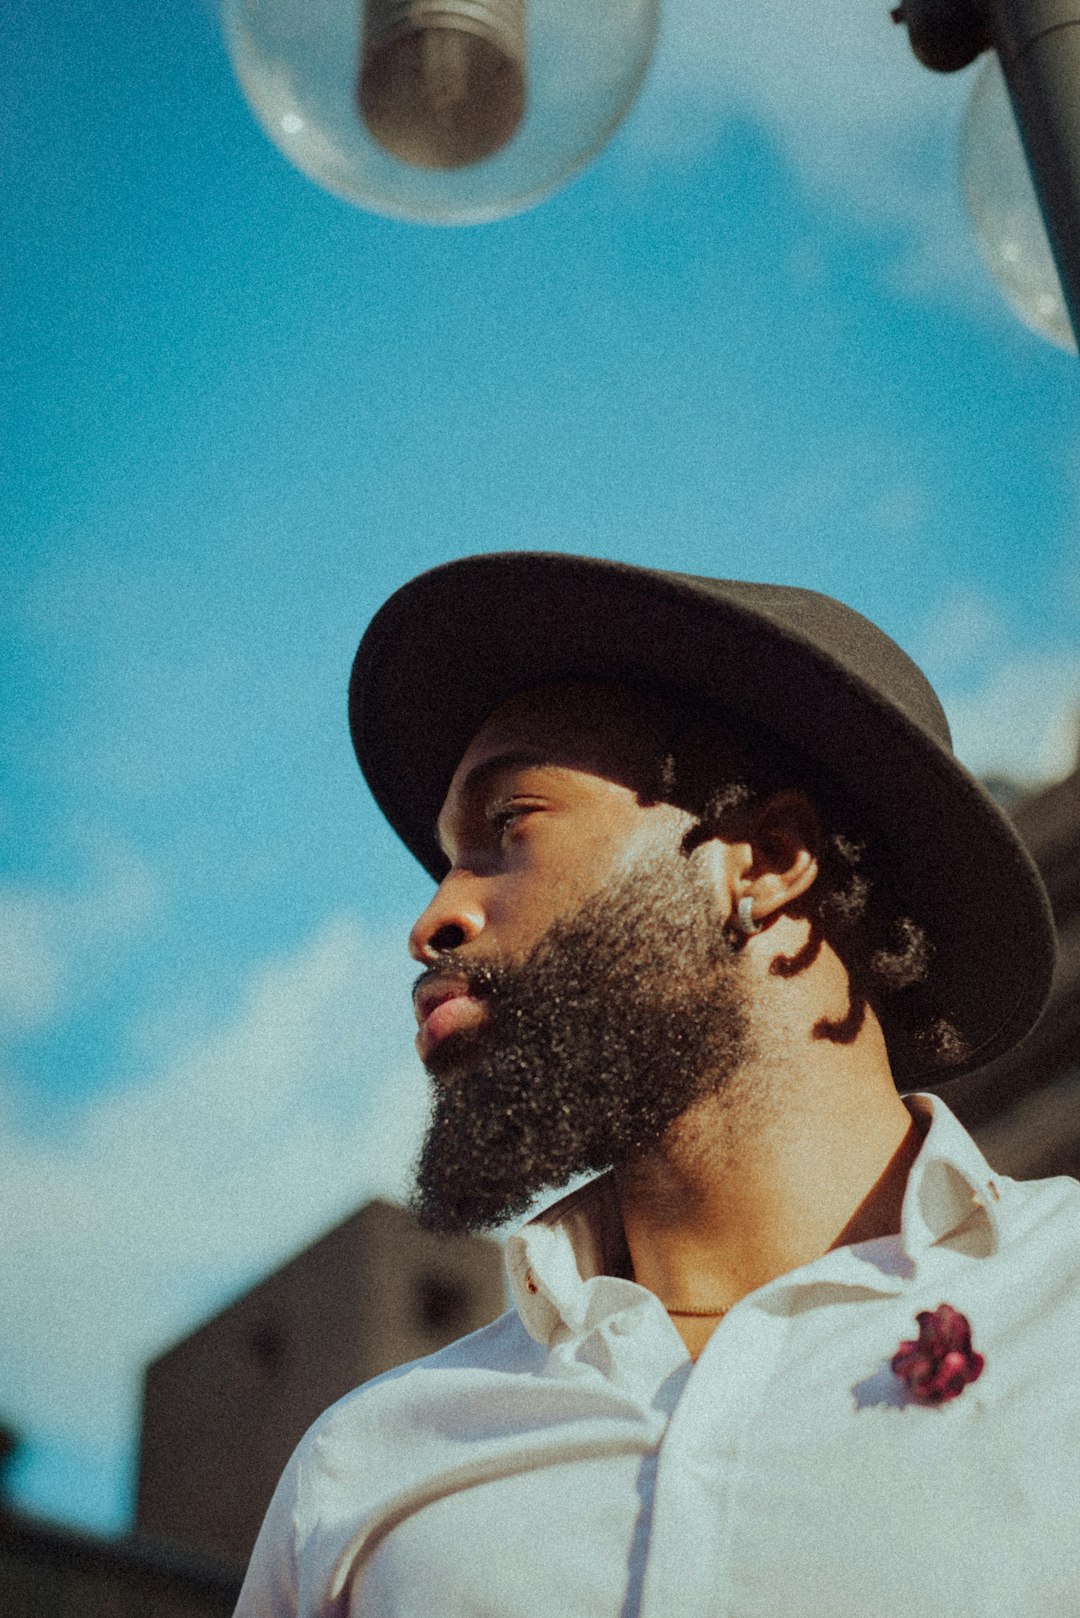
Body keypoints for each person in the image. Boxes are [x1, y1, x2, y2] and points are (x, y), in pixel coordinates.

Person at [235, 552, 1080, 1618]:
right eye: (444, 862)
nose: (432, 919)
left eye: (509, 828)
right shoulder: (359, 1478)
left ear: (766, 861)